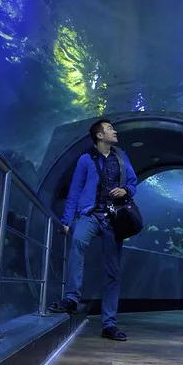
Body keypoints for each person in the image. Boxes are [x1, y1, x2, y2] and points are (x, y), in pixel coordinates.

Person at [48, 118, 138, 341]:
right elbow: (75, 191)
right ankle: (71, 298)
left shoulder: (121, 156)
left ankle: (109, 324)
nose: (114, 131)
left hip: (114, 219)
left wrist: (125, 190)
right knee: (78, 242)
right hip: (90, 215)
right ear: (99, 136)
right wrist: (67, 220)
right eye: (109, 129)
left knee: (112, 271)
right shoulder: (86, 160)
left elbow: (133, 182)